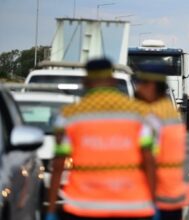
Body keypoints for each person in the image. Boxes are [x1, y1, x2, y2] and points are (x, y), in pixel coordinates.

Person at [46, 58, 156, 220]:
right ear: (112, 80)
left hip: (83, 208)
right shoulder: (140, 113)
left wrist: (52, 209)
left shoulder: (69, 116)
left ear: (86, 81)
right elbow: (149, 160)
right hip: (131, 206)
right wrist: (153, 202)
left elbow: (58, 164)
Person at [132, 63, 189, 220]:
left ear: (152, 86)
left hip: (154, 197)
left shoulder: (150, 116)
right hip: (173, 197)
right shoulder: (170, 113)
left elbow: (149, 160)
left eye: (140, 84)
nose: (137, 89)